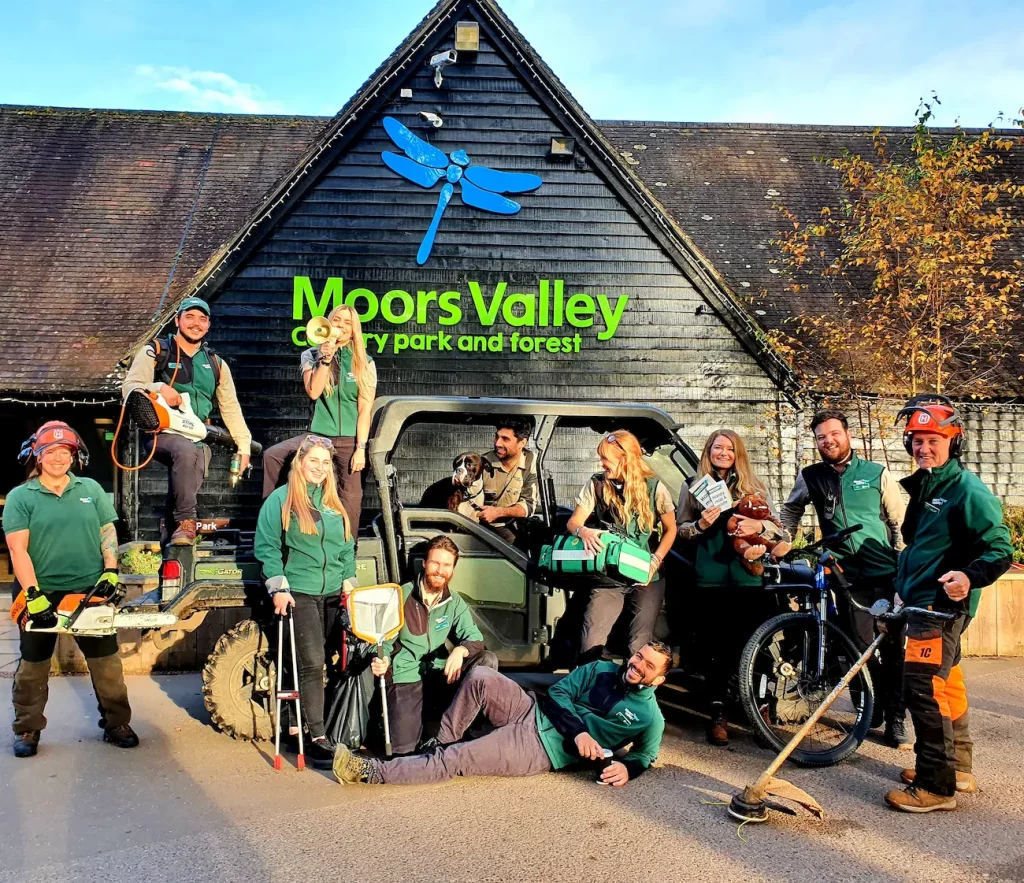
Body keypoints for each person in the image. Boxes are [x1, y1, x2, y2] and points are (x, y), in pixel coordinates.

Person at [884, 396, 1012, 814]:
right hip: (920, 603)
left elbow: (999, 549)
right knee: (948, 683)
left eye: (933, 440)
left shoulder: (965, 489)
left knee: (924, 690)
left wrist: (968, 577)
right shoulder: (927, 484)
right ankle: (957, 767)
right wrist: (902, 590)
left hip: (939, 608)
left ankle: (935, 785)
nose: (923, 448)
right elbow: (918, 547)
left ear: (952, 441)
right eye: (917, 440)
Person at [333, 641, 671, 787]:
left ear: (660, 678)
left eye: (648, 665)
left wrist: (626, 768)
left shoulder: (650, 717)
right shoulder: (600, 668)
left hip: (541, 749)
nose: (637, 665)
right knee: (480, 677)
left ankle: (371, 772)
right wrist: (579, 732)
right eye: (638, 657)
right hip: (530, 709)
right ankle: (436, 744)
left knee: (457, 758)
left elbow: (646, 754)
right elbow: (556, 694)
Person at [3, 421, 137, 757]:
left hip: (88, 590)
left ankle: (116, 722)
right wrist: (32, 595)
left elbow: (107, 532)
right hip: (40, 591)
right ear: (37, 456)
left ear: (74, 456)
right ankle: (27, 729)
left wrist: (109, 571)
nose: (58, 458)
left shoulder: (89, 489)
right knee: (33, 665)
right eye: (51, 452)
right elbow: (18, 550)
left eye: (65, 452)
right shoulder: (21, 496)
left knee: (106, 661)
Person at [780, 409, 910, 747]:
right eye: (821, 437)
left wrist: (905, 565)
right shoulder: (810, 476)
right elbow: (791, 508)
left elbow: (899, 523)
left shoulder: (875, 473)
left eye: (833, 433)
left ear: (846, 434)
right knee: (859, 646)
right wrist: (786, 537)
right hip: (844, 575)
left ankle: (895, 717)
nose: (828, 441)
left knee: (893, 647)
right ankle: (870, 706)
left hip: (884, 572)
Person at [676, 429, 791, 746]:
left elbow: (778, 530)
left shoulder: (754, 488)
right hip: (710, 578)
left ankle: (761, 715)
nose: (723, 453)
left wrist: (759, 526)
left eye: (729, 448)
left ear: (738, 453)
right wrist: (700, 525)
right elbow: (679, 529)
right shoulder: (692, 486)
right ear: (708, 451)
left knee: (758, 649)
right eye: (717, 447)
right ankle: (718, 714)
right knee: (716, 651)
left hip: (749, 579)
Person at [254, 434, 356, 769]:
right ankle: (317, 738)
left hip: (331, 595)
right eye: (314, 461)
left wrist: (349, 582)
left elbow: (345, 549)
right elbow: (267, 546)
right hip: (300, 591)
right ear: (300, 462)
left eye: (325, 463)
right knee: (312, 662)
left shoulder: (333, 503)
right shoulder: (282, 500)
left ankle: (298, 722)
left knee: (326, 661)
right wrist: (278, 587)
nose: (320, 468)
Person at [122, 296, 252, 545]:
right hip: (161, 432)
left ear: (208, 325)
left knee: (186, 481)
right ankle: (186, 522)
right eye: (190, 317)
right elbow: (130, 387)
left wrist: (244, 446)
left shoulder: (216, 364)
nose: (196, 323)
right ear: (177, 320)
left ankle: (171, 541)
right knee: (185, 450)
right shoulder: (155, 351)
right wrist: (159, 387)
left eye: (202, 319)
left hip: (198, 433)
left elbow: (231, 408)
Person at [370, 536, 498, 755]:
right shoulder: (400, 596)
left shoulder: (454, 601)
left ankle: (470, 730)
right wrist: (381, 659)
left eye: (447, 565)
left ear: (453, 571)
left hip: (441, 674)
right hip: (406, 677)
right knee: (404, 753)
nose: (440, 570)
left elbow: (475, 638)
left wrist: (460, 649)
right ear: (424, 563)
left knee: (487, 660)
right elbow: (383, 643)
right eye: (435, 563)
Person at [566, 430, 677, 665]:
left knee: (639, 643)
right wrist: (583, 531)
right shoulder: (596, 483)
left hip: (646, 575)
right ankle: (588, 693)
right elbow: (574, 521)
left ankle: (633, 696)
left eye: (606, 458)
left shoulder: (655, 487)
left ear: (625, 458)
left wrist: (655, 561)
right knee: (591, 640)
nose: (602, 463)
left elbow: (671, 529)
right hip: (609, 576)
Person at [262, 305, 376, 529]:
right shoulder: (310, 354)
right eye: (337, 320)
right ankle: (274, 522)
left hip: (349, 440)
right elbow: (313, 391)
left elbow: (365, 409)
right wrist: (325, 359)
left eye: (347, 322)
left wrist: (360, 448)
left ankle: (347, 551)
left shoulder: (365, 361)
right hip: (317, 437)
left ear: (354, 330)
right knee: (272, 456)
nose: (341, 326)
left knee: (351, 499)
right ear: (328, 324)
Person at [473, 418, 539, 545]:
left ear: (522, 443)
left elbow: (529, 506)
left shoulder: (531, 463)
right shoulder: (483, 463)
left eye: (505, 439)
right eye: (497, 437)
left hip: (510, 525)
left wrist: (499, 512)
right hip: (478, 526)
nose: (497, 443)